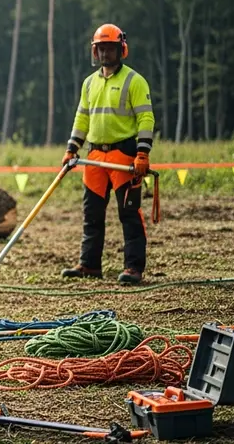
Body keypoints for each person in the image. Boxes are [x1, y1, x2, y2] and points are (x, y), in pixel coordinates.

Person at [61, 23, 155, 285]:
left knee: (129, 214)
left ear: (120, 49)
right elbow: (82, 118)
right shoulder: (89, 84)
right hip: (94, 157)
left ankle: (133, 268)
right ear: (94, 51)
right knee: (92, 214)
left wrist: (142, 153)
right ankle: (89, 265)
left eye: (110, 48)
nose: (105, 53)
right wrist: (72, 148)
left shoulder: (134, 81)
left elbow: (146, 118)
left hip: (123, 155)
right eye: (100, 48)